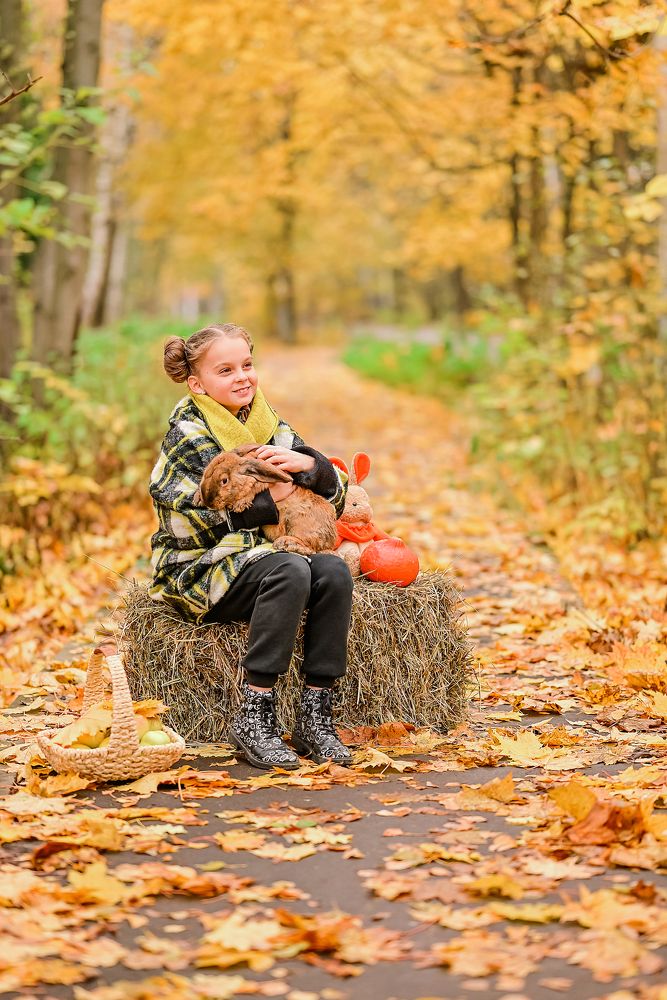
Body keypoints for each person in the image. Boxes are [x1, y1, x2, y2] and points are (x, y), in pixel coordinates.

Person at [149, 322, 353, 771]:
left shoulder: (268, 424)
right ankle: (254, 715)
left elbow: (330, 504)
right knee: (291, 568)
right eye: (225, 370)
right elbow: (207, 509)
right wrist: (278, 496)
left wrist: (310, 466)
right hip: (204, 567)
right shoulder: (188, 433)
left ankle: (316, 713)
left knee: (333, 571)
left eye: (247, 364)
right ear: (197, 383)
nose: (242, 376)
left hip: (263, 555)